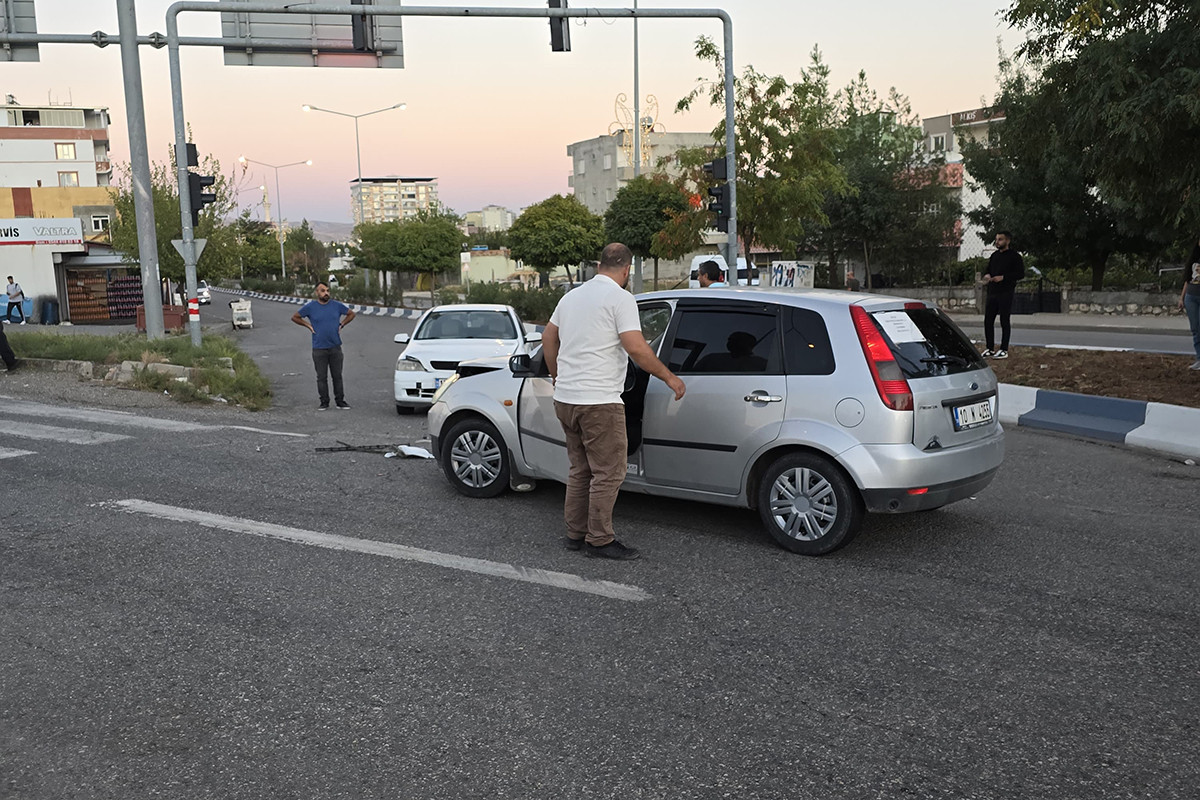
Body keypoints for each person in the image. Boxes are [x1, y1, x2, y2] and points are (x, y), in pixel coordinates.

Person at [541, 243, 687, 560]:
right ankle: (599, 540)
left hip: (566, 399)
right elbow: (635, 346)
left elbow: (548, 336)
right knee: (609, 472)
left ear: (599, 265)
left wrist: (556, 374)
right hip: (599, 402)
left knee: (580, 469)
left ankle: (575, 534)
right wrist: (669, 377)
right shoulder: (620, 298)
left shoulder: (571, 297)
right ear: (626, 270)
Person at [291, 282, 356, 409]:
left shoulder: (336, 306)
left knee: (337, 376)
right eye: (322, 291)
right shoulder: (311, 307)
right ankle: (324, 402)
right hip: (319, 348)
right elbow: (295, 317)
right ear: (317, 293)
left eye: (327, 290)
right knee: (321, 377)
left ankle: (340, 401)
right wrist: (308, 326)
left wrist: (341, 324)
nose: (326, 293)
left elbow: (351, 314)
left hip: (335, 347)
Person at [980, 230, 1025, 359]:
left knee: (1004, 320)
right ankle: (989, 348)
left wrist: (1004, 277)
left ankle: (1004, 349)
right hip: (992, 292)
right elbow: (988, 269)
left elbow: (1020, 274)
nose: (997, 242)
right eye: (997, 239)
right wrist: (988, 275)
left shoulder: (1014, 256)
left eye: (1000, 239)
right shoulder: (994, 256)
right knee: (988, 320)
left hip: (1006, 292)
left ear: (1007, 241)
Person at [1179, 235, 1200, 370]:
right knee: (1195, 329)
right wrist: (1182, 298)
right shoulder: (1193, 260)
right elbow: (1188, 280)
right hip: (1191, 296)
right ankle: (1199, 358)